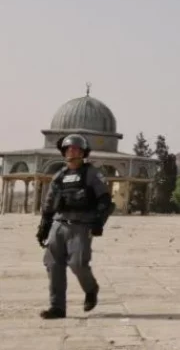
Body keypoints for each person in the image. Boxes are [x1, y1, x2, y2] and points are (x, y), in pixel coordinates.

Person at [35, 134, 115, 319]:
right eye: (69, 148)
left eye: (77, 149)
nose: (72, 151)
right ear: (64, 152)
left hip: (81, 225)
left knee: (78, 263)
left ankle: (91, 289)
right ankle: (57, 307)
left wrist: (99, 221)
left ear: (83, 153)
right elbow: (49, 204)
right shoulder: (59, 176)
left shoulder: (92, 174)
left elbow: (105, 200)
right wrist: (44, 227)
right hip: (59, 225)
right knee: (53, 264)